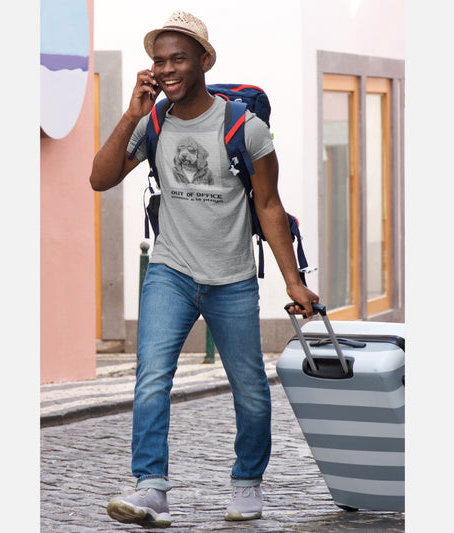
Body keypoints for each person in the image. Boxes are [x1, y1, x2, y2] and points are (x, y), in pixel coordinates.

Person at [89, 11, 320, 527]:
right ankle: (152, 488)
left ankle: (245, 483)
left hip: (232, 278)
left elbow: (270, 207)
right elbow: (99, 179)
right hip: (170, 271)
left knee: (251, 389)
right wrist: (131, 115)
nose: (167, 69)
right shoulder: (153, 123)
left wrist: (293, 281)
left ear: (204, 61)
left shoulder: (246, 128)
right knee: (150, 378)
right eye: (159, 60)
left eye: (178, 59)